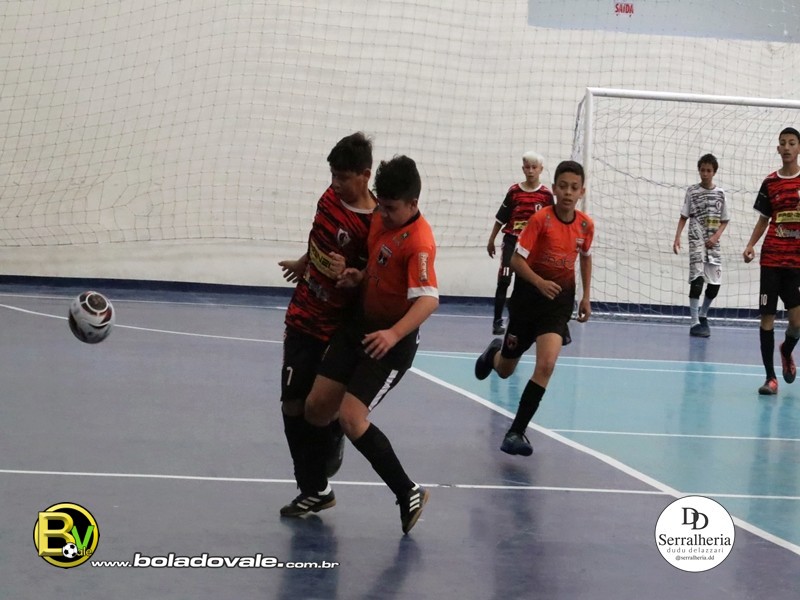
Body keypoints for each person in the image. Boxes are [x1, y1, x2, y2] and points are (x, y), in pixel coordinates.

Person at [280, 155, 439, 535]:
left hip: (389, 345)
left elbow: (428, 299)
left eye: (391, 208)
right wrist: (358, 275)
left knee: (351, 418)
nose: (382, 214)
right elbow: (377, 266)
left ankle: (408, 491)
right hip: (358, 329)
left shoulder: (419, 243)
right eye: (381, 205)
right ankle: (318, 490)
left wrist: (393, 334)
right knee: (316, 407)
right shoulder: (382, 221)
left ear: (413, 204)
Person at [278, 132, 376, 500]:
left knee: (316, 407)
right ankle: (313, 484)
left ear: (365, 175)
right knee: (291, 403)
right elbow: (318, 235)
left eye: (343, 177)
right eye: (332, 175)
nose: (335, 183)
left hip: (338, 327)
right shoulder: (329, 198)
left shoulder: (374, 224)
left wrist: (352, 274)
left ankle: (319, 469)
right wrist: (304, 262)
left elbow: (373, 278)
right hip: (304, 313)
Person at [475, 160, 594, 456]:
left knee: (547, 365)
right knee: (506, 370)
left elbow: (585, 257)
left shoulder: (585, 225)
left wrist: (586, 296)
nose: (568, 192)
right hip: (527, 300)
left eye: (574, 188)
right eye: (563, 186)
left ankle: (516, 432)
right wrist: (539, 282)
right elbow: (516, 260)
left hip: (557, 304)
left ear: (582, 192)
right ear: (554, 189)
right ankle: (494, 354)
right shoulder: (541, 220)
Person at [743, 126, 800, 395]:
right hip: (771, 259)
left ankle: (786, 350)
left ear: (798, 148)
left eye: (792, 143)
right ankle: (770, 378)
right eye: (782, 143)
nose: (787, 147)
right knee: (767, 317)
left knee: (796, 322)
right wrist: (750, 245)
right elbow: (763, 219)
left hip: (796, 262)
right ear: (778, 149)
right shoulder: (770, 182)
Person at [486, 151, 555, 335]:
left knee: (527, 283)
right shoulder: (514, 192)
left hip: (532, 246)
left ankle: (524, 319)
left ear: (541, 169)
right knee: (504, 280)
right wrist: (491, 239)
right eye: (527, 167)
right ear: (523, 169)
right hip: (511, 240)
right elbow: (501, 218)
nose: (530, 171)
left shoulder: (545, 195)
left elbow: (551, 222)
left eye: (534, 167)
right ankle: (497, 321)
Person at [672, 153, 730, 337]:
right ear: (699, 170)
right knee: (697, 281)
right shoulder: (692, 191)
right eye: (702, 170)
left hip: (713, 244)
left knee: (714, 285)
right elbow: (683, 216)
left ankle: (703, 313)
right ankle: (694, 322)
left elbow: (725, 220)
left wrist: (716, 236)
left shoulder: (720, 194)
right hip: (696, 241)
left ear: (714, 172)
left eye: (708, 171)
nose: (705, 174)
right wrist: (677, 237)